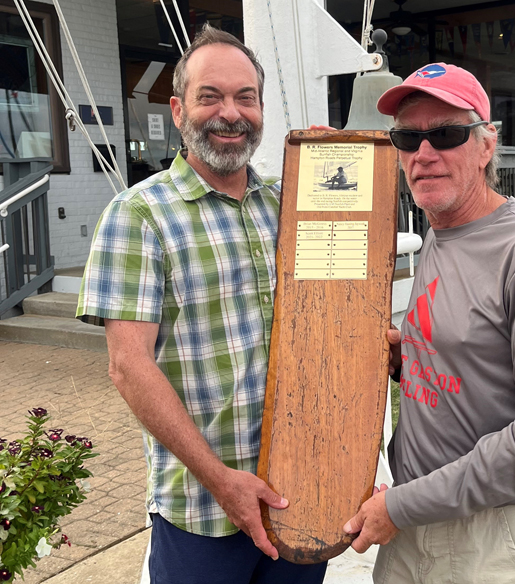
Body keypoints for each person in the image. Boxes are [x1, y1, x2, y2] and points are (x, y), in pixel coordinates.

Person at [76, 25, 327, 584]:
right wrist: (222, 480)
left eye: (245, 97)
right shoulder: (139, 215)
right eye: (209, 96)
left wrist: (342, 162)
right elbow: (128, 366)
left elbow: (329, 317)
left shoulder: (287, 208)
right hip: (202, 511)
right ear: (177, 108)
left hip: (297, 495)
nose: (230, 113)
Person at [343, 63, 515, 583]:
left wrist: (403, 506)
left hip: (490, 538)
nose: (424, 153)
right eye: (408, 137)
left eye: (447, 134)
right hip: (413, 522)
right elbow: (473, 355)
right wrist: (408, 357)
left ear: (486, 145)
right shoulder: (440, 231)